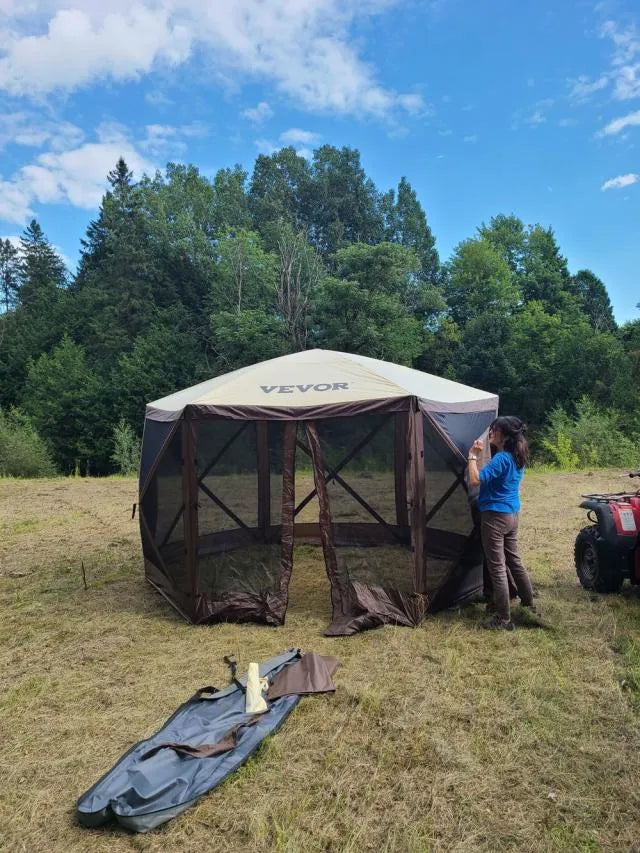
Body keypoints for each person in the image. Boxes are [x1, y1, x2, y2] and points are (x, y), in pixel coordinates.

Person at [467, 416, 536, 630]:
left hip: (495, 517)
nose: (490, 434)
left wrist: (472, 457)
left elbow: (476, 479)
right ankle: (528, 603)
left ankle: (503, 619)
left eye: (493, 431)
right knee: (514, 561)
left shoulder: (501, 459)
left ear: (503, 435)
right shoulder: (517, 456)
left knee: (497, 567)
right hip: (512, 515)